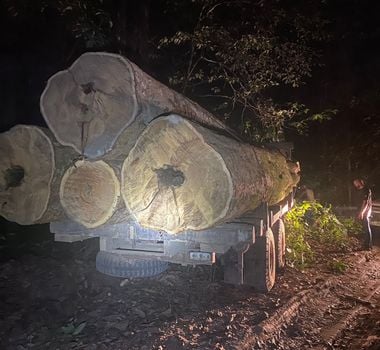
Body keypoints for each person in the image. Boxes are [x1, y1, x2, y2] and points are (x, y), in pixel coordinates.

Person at [352, 178, 373, 250]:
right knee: (364, 227)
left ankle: (368, 246)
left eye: (355, 182)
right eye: (354, 183)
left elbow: (365, 203)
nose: (354, 184)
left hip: (366, 211)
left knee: (366, 227)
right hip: (362, 211)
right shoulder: (359, 190)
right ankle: (366, 244)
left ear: (359, 182)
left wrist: (362, 213)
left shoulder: (366, 190)